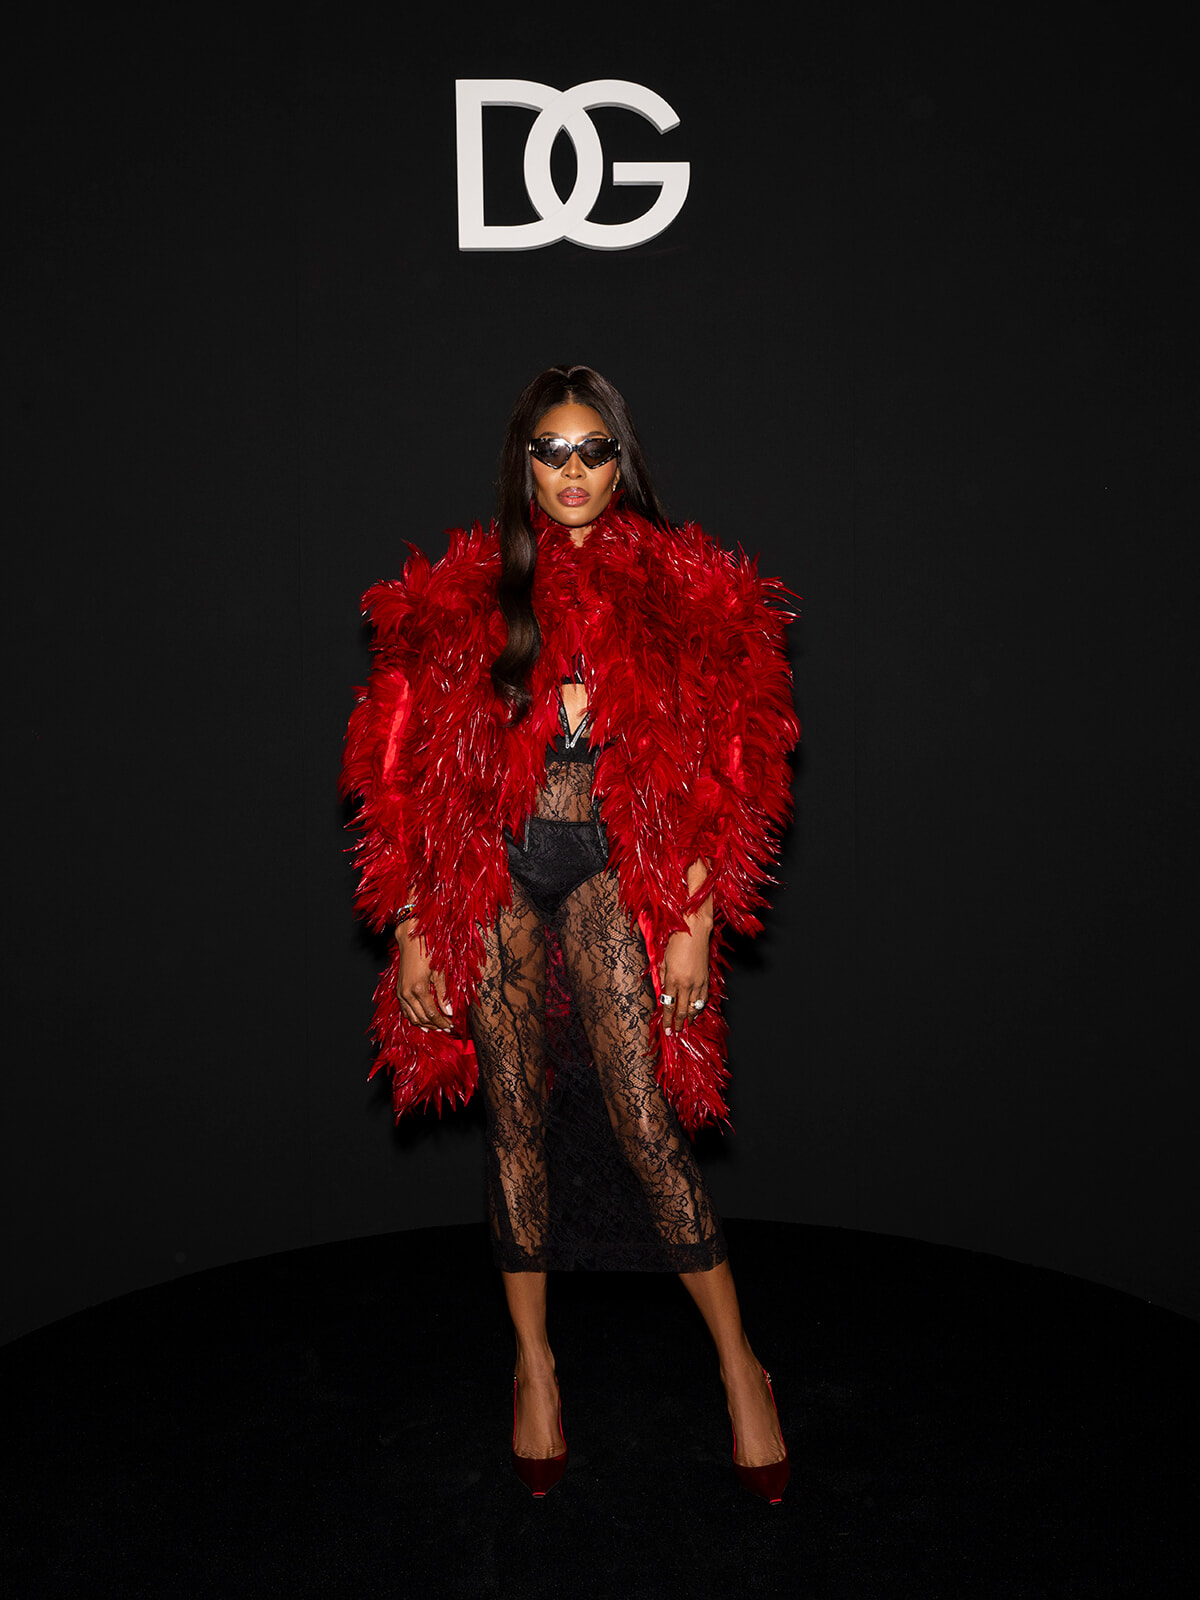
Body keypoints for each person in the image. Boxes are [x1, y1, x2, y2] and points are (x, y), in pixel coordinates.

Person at [341, 365, 799, 1502]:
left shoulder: (688, 593)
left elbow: (738, 774)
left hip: (612, 867)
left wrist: (694, 917)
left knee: (643, 1119)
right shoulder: (466, 595)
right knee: (516, 1123)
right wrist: (413, 921)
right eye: (552, 450)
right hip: (496, 870)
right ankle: (535, 1369)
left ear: (621, 460)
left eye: (595, 448)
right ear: (524, 466)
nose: (575, 470)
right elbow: (400, 777)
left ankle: (741, 1366)